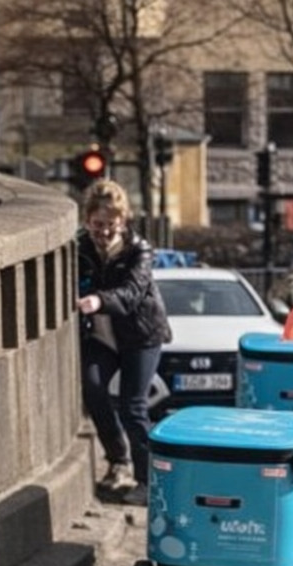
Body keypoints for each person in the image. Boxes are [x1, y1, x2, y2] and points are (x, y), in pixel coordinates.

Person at [74, 179, 172, 507]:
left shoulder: (139, 250)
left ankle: (147, 481)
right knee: (92, 387)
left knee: (133, 406)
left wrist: (98, 301)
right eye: (96, 224)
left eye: (110, 225)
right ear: (86, 221)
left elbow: (132, 293)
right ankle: (118, 459)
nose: (102, 232)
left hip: (141, 334)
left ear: (123, 221)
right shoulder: (78, 248)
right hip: (101, 334)